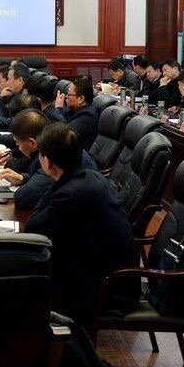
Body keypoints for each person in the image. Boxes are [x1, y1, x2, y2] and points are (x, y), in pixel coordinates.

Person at [25, 123, 140, 326]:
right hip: (111, 277)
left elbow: (33, 227)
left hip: (107, 291)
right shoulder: (90, 176)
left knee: (25, 279)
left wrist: (51, 180)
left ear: (47, 161)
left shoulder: (71, 193)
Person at [0, 110, 96, 210]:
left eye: (18, 143)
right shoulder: (57, 144)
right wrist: (23, 179)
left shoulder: (51, 156)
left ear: (32, 143)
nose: (18, 148)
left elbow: (23, 198)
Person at [58, 77, 99, 149]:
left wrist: (58, 109)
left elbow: (63, 134)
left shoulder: (87, 116)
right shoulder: (76, 109)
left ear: (81, 99)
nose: (66, 96)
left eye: (69, 94)